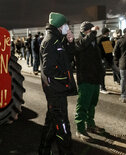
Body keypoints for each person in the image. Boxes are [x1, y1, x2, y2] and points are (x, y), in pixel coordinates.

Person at [39, 12, 77, 155]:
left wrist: (70, 42)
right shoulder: (51, 41)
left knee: (51, 123)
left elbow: (67, 59)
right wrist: (65, 80)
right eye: (66, 24)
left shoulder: (57, 40)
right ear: (60, 26)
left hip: (56, 90)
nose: (68, 27)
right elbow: (49, 70)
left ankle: (43, 150)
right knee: (62, 126)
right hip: (55, 90)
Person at [74, 21, 105, 142]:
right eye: (88, 31)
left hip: (95, 78)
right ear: (83, 31)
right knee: (82, 105)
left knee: (92, 103)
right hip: (85, 79)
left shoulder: (93, 43)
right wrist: (92, 33)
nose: (91, 33)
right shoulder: (78, 42)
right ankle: (80, 129)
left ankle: (90, 124)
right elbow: (82, 44)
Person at [97, 27, 120, 94]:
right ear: (106, 33)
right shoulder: (105, 39)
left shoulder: (98, 39)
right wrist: (111, 60)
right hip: (106, 59)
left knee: (102, 74)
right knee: (116, 71)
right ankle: (102, 87)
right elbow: (108, 51)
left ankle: (101, 87)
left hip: (100, 59)